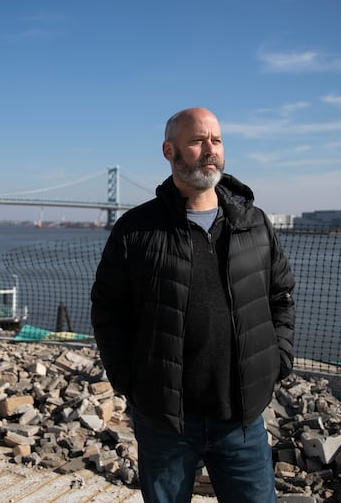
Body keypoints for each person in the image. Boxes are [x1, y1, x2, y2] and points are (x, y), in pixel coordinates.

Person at [90, 107, 295, 503]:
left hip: (242, 419)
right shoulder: (136, 229)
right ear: (170, 150)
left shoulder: (254, 223)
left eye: (216, 140)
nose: (210, 150)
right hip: (164, 421)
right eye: (198, 140)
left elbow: (281, 297)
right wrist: (127, 380)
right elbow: (107, 308)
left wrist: (278, 361)